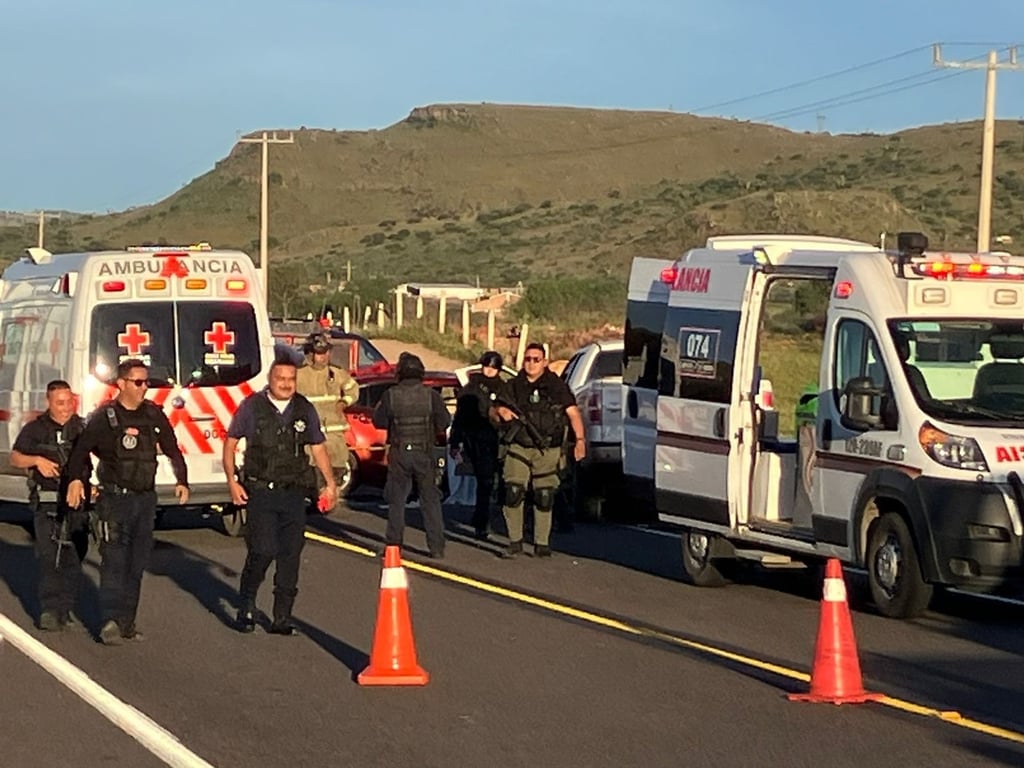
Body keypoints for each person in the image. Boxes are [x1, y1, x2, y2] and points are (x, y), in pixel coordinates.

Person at [66, 359, 189, 645]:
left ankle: (127, 622)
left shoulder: (153, 415)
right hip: (114, 499)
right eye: (138, 382)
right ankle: (109, 620)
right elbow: (81, 450)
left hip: (144, 501)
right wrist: (75, 479)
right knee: (114, 561)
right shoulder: (105, 417)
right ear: (121, 384)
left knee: (136, 564)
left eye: (146, 382)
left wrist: (182, 480)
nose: (144, 387)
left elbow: (172, 448)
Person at [223, 357, 337, 635]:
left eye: (290, 379)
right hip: (261, 491)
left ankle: (281, 616)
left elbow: (318, 447)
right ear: (270, 380)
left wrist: (330, 484)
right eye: (280, 379)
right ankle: (246, 605)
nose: (286, 384)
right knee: (262, 551)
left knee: (290, 554)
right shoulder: (252, 407)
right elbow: (231, 443)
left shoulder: (303, 408)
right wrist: (231, 482)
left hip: (294, 493)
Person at [494, 343, 586, 558]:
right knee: (513, 492)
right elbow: (494, 409)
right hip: (518, 446)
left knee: (544, 495)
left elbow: (573, 413)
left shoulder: (556, 386)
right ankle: (515, 541)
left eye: (536, 359)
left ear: (544, 362)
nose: (531, 363)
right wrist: (501, 411)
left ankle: (541, 543)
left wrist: (580, 440)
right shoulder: (513, 385)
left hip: (548, 449)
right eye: (527, 359)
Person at [11, 380, 88, 631]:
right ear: (49, 403)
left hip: (78, 502)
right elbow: (15, 457)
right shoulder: (36, 429)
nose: (66, 408)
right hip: (47, 501)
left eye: (69, 402)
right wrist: (36, 460)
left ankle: (66, 609)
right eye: (60, 403)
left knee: (74, 556)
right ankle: (49, 611)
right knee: (48, 557)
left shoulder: (83, 428)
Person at [372, 352, 450, 558]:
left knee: (397, 500)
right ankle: (437, 548)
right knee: (430, 500)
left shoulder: (390, 394)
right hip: (424, 451)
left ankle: (393, 546)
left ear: (399, 373)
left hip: (399, 452)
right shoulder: (431, 395)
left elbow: (378, 421)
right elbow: (445, 422)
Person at [296, 331, 359, 495]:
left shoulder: (336, 374)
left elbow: (353, 389)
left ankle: (329, 496)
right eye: (319, 353)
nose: (323, 357)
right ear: (309, 354)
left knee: (337, 466)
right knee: (312, 469)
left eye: (326, 352)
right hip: (311, 434)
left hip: (335, 435)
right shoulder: (299, 375)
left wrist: (345, 402)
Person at [450, 351, 505, 539]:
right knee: (484, 481)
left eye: (493, 367)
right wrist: (454, 441)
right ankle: (481, 522)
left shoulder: (504, 388)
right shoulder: (471, 387)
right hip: (474, 438)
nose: (489, 370)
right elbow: (459, 417)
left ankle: (485, 519)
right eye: (486, 366)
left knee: (491, 482)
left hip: (496, 438)